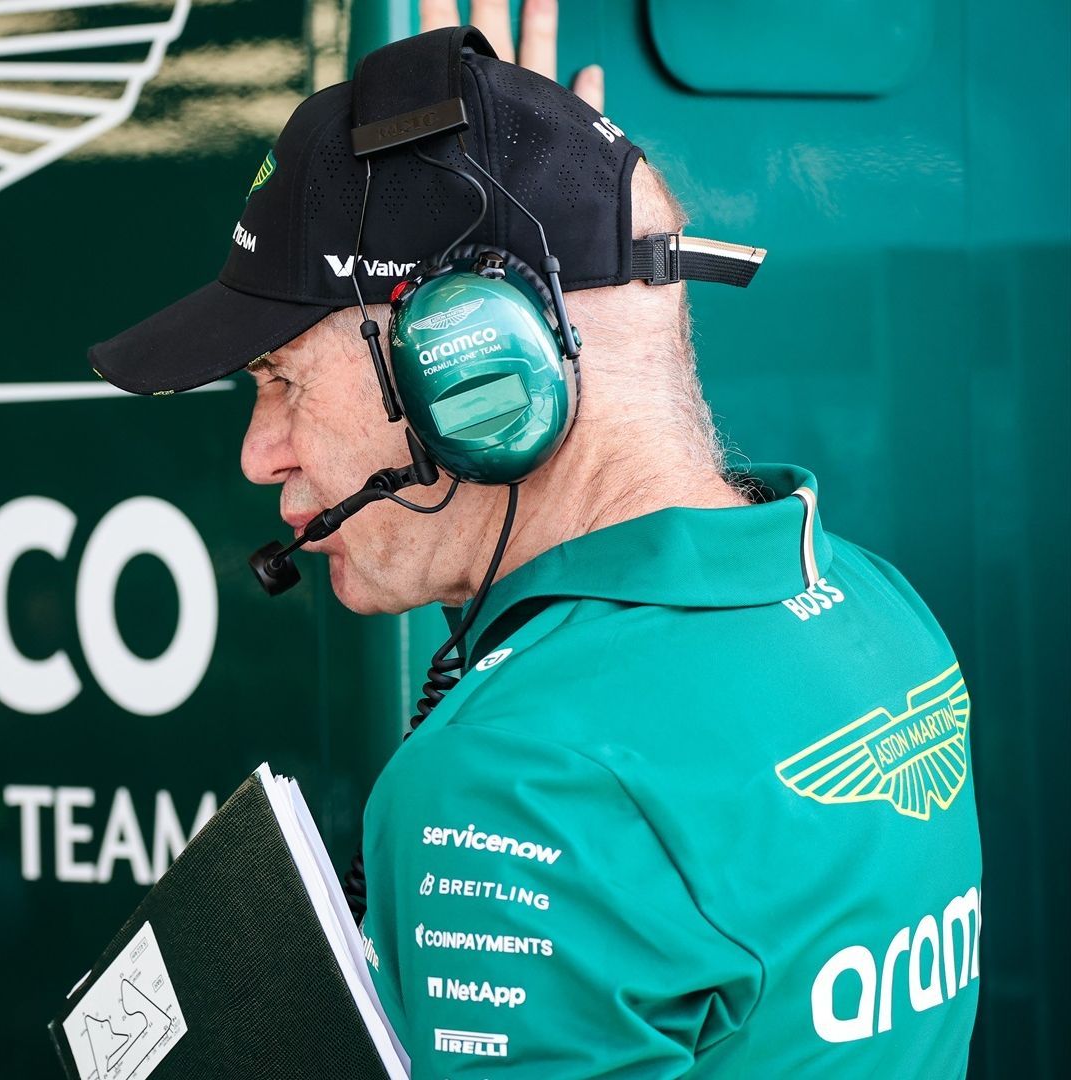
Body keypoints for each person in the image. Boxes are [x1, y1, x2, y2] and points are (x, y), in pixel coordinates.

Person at [86, 1, 983, 1075]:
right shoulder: (881, 613)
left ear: (469, 367)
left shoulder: (519, 776)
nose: (258, 451)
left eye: (280, 378)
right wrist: (533, 180)